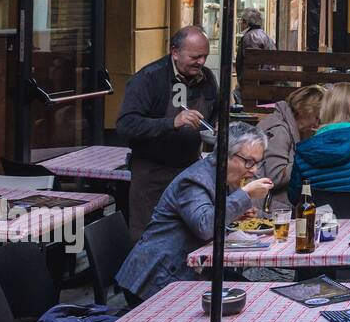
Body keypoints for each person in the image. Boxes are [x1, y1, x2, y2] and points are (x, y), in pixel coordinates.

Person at [115, 123, 274, 303]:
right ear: (225, 154)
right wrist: (245, 195)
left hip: (189, 270)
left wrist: (236, 213)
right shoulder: (194, 180)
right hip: (155, 278)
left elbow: (213, 216)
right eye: (249, 162)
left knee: (251, 294)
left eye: (257, 163)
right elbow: (204, 226)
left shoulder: (222, 177)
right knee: (239, 300)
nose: (254, 170)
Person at [116, 26, 219, 240]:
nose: (201, 62)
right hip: (152, 174)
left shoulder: (207, 78)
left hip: (190, 171)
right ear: (174, 52)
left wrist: (216, 127)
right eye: (195, 56)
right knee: (149, 238)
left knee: (188, 236)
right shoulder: (148, 79)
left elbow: (215, 114)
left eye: (204, 56)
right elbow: (126, 124)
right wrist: (171, 122)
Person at [257, 84, 325, 206]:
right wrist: (307, 160)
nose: (316, 125)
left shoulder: (288, 127)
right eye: (317, 118)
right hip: (272, 210)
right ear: (304, 110)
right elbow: (275, 176)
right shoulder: (279, 130)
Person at [234, 8, 275, 105]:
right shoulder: (266, 37)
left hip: (256, 86)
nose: (240, 23)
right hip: (269, 84)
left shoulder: (249, 37)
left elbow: (251, 66)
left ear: (246, 22)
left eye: (241, 21)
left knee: (236, 92)